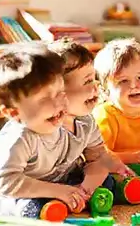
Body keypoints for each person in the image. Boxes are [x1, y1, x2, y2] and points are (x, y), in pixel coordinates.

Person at [0, 43, 110, 218]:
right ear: (14, 113)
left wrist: (85, 189)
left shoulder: (71, 120)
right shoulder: (19, 137)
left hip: (48, 182)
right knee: (28, 207)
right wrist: (58, 191)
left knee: (106, 181)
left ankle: (56, 201)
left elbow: (98, 157)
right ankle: (47, 205)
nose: (58, 104)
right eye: (44, 99)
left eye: (60, 92)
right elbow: (6, 182)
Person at [47, 38, 134, 183]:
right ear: (57, 91)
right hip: (36, 185)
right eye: (87, 81)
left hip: (66, 179)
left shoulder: (86, 121)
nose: (96, 86)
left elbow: (98, 154)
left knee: (107, 180)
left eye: (94, 79)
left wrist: (117, 166)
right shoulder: (44, 126)